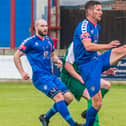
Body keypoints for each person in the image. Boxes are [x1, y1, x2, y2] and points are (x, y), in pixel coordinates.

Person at [14, 19, 82, 126]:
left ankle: (45, 117)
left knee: (68, 97)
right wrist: (22, 72)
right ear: (36, 27)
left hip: (51, 75)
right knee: (59, 97)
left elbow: (52, 55)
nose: (45, 28)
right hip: (40, 77)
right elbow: (16, 55)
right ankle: (73, 124)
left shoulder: (49, 41)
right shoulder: (30, 41)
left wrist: (57, 60)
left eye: (46, 26)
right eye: (42, 26)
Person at [73, 1, 126, 126]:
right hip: (87, 67)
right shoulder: (84, 26)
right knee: (97, 103)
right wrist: (108, 46)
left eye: (101, 10)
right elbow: (88, 46)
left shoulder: (97, 26)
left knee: (123, 49)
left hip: (96, 61)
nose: (101, 12)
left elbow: (94, 50)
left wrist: (103, 68)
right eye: (98, 10)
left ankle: (90, 113)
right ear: (90, 12)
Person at [60, 42, 116, 126]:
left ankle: (91, 110)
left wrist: (105, 70)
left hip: (83, 74)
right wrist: (80, 78)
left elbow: (95, 62)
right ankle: (95, 124)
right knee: (91, 96)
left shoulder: (92, 45)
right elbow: (67, 66)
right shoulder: (75, 45)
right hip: (70, 77)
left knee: (106, 85)